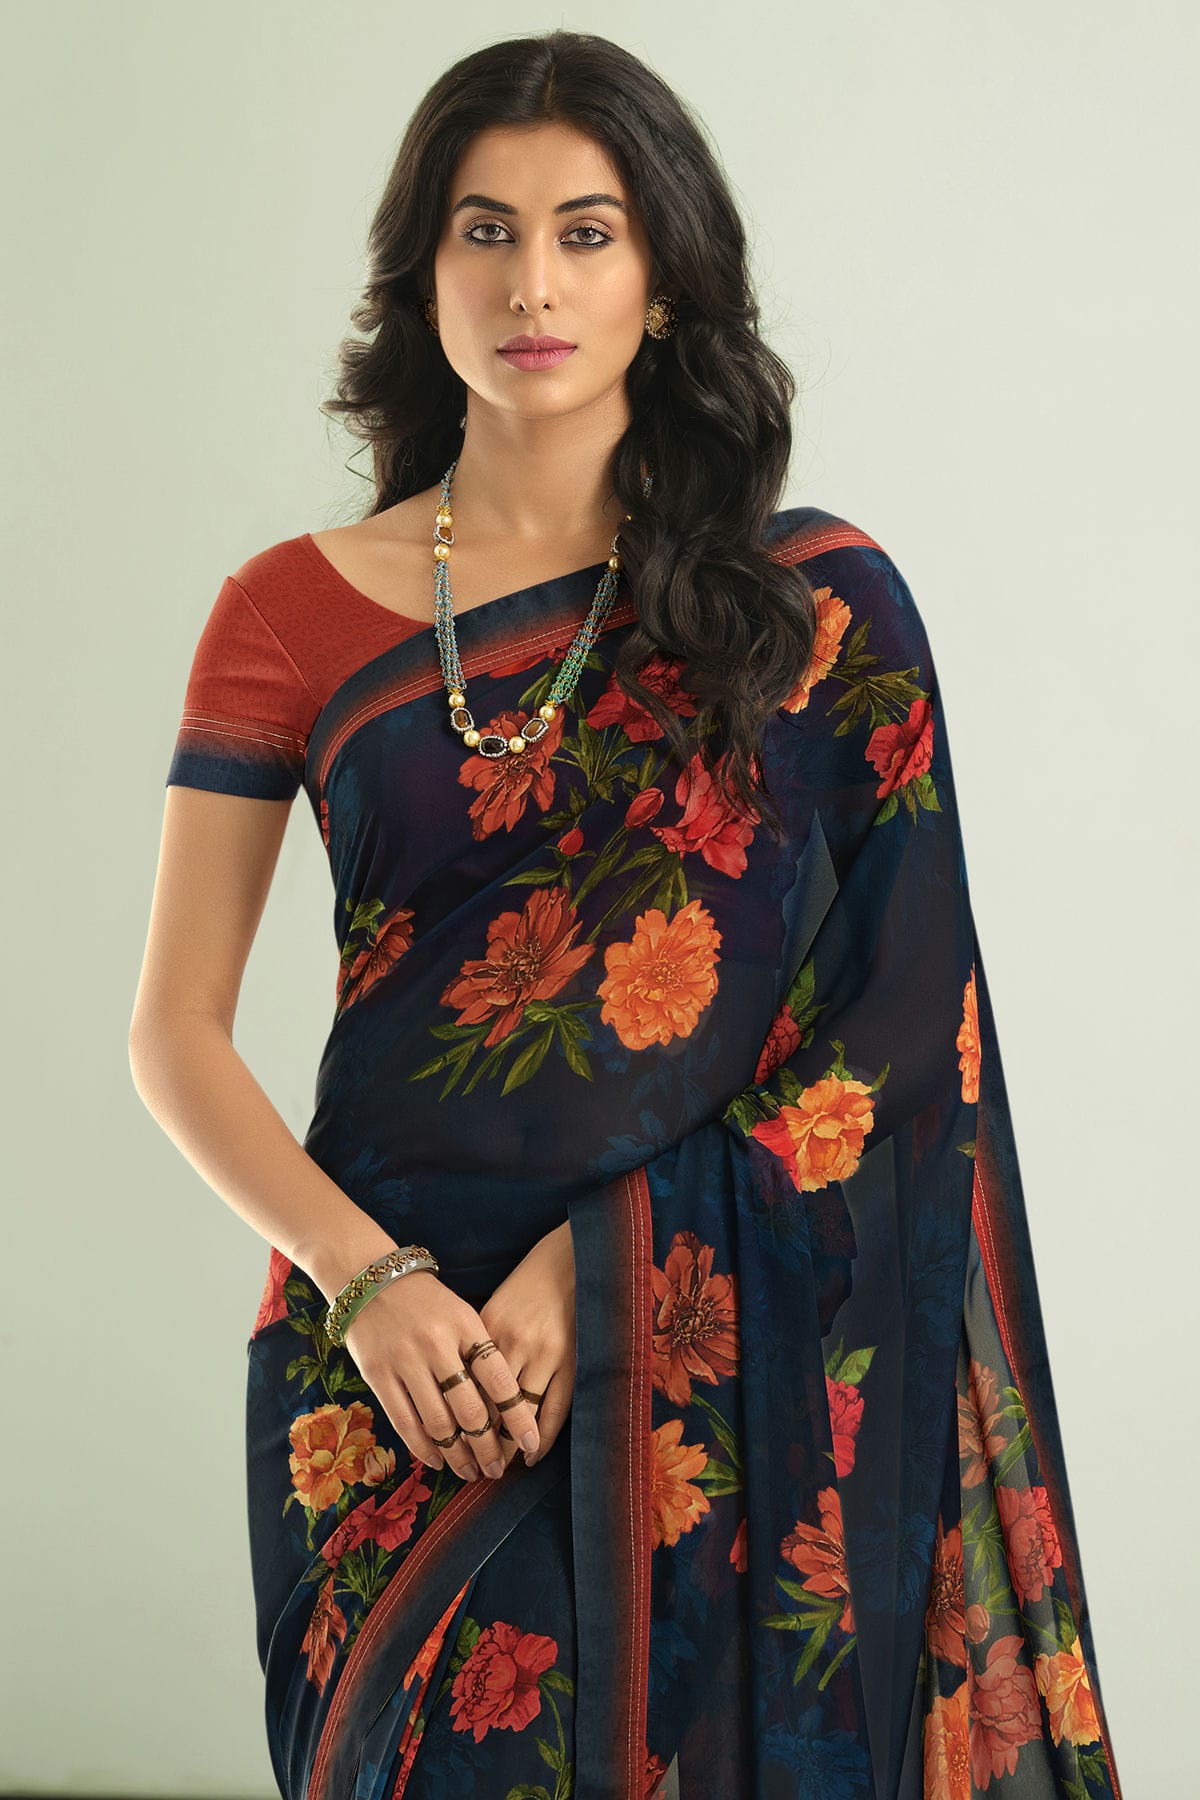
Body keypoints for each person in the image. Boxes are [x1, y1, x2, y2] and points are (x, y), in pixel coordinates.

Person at [129, 29, 1123, 1800]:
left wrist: (605, 1283)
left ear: (661, 281)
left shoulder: (813, 608)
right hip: (397, 1362)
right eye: (486, 231)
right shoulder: (287, 614)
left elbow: (906, 1030)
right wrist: (371, 1288)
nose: (533, 283)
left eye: (586, 233)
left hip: (701, 1348)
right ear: (421, 273)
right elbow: (174, 1033)